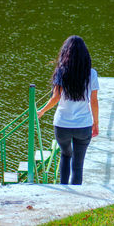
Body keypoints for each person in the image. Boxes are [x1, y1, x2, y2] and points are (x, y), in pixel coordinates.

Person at [37, 35, 99, 185]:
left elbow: (55, 98)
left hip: (62, 125)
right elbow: (94, 101)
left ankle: (63, 190)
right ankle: (75, 201)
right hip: (83, 125)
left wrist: (42, 110)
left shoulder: (61, 72)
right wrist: (96, 123)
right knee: (78, 165)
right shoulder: (91, 74)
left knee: (65, 155)